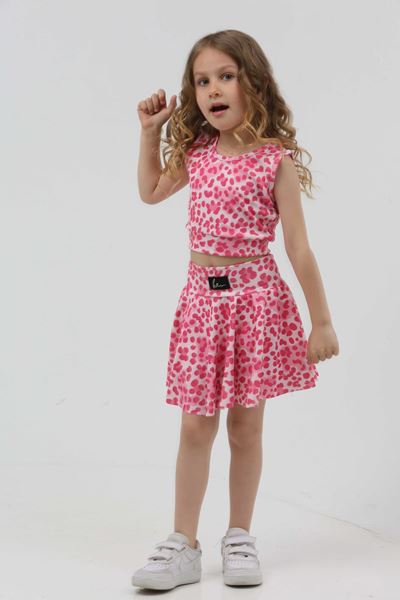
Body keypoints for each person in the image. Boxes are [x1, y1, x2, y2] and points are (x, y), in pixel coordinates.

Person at [132, 29, 339, 590]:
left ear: (254, 83)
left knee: (246, 428)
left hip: (256, 303)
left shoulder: (274, 161)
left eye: (226, 76)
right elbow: (150, 191)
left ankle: (239, 535)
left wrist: (321, 321)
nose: (213, 90)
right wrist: (150, 134)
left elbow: (298, 248)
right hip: (202, 303)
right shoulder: (197, 154)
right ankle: (183, 542)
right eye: (202, 81)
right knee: (194, 427)